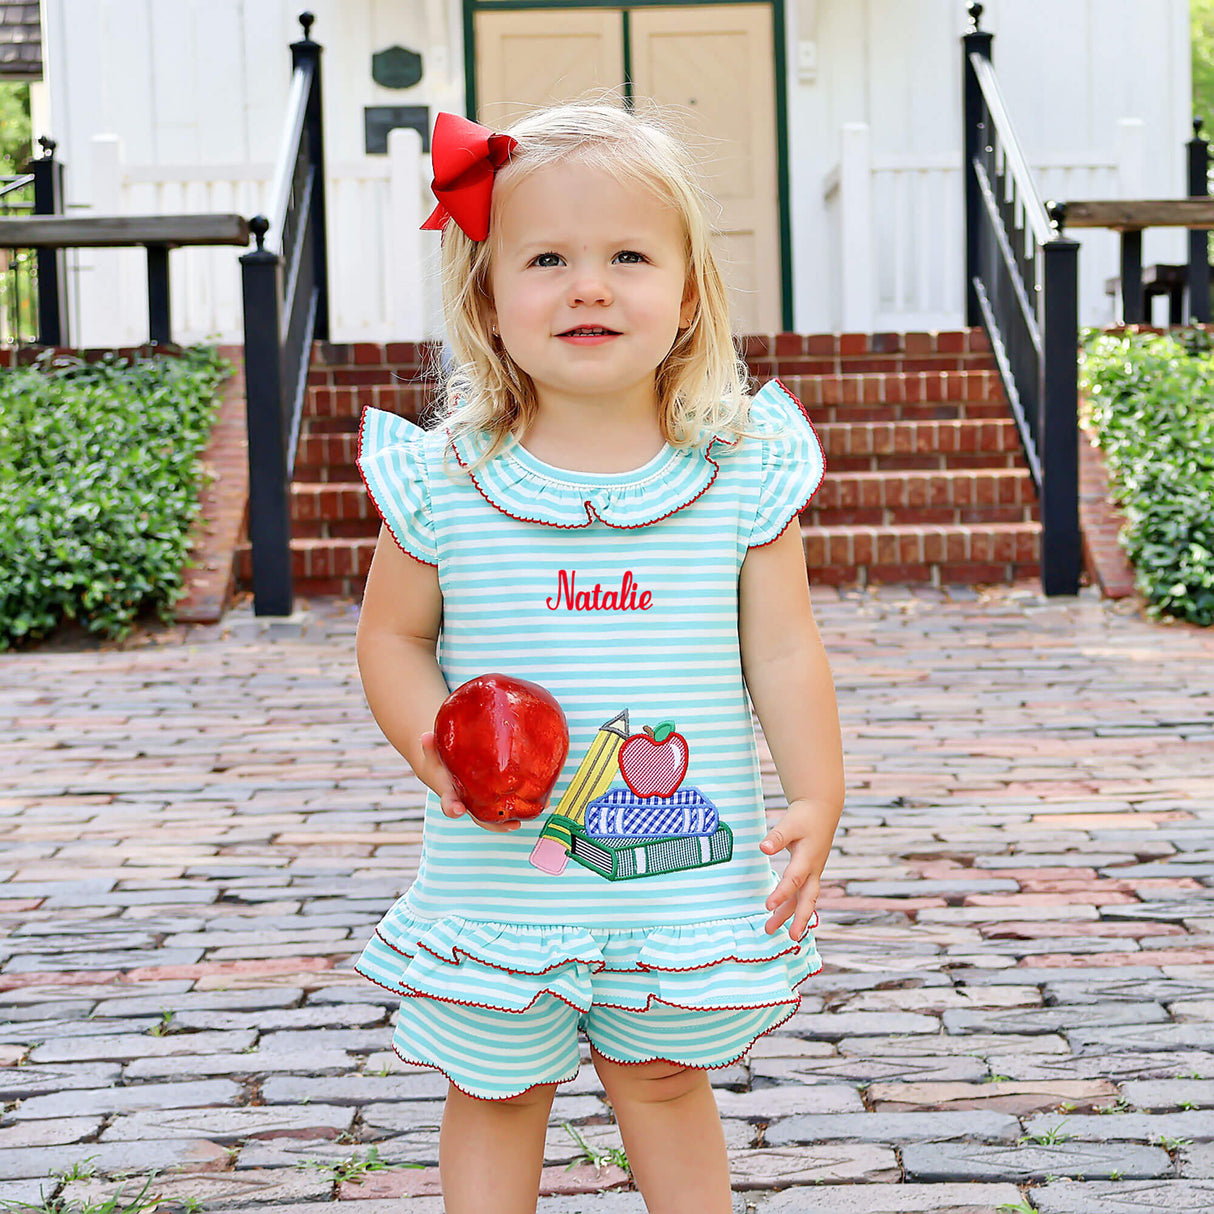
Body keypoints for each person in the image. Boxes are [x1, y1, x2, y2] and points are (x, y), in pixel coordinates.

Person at [353, 99, 845, 1214]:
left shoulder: (737, 472)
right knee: (497, 1085)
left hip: (674, 867)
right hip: (499, 870)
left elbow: (781, 645)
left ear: (686, 296)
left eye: (627, 255)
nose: (588, 284)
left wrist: (819, 787)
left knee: (664, 1077)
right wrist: (434, 743)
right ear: (486, 293)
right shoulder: (446, 478)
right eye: (546, 258)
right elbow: (392, 635)